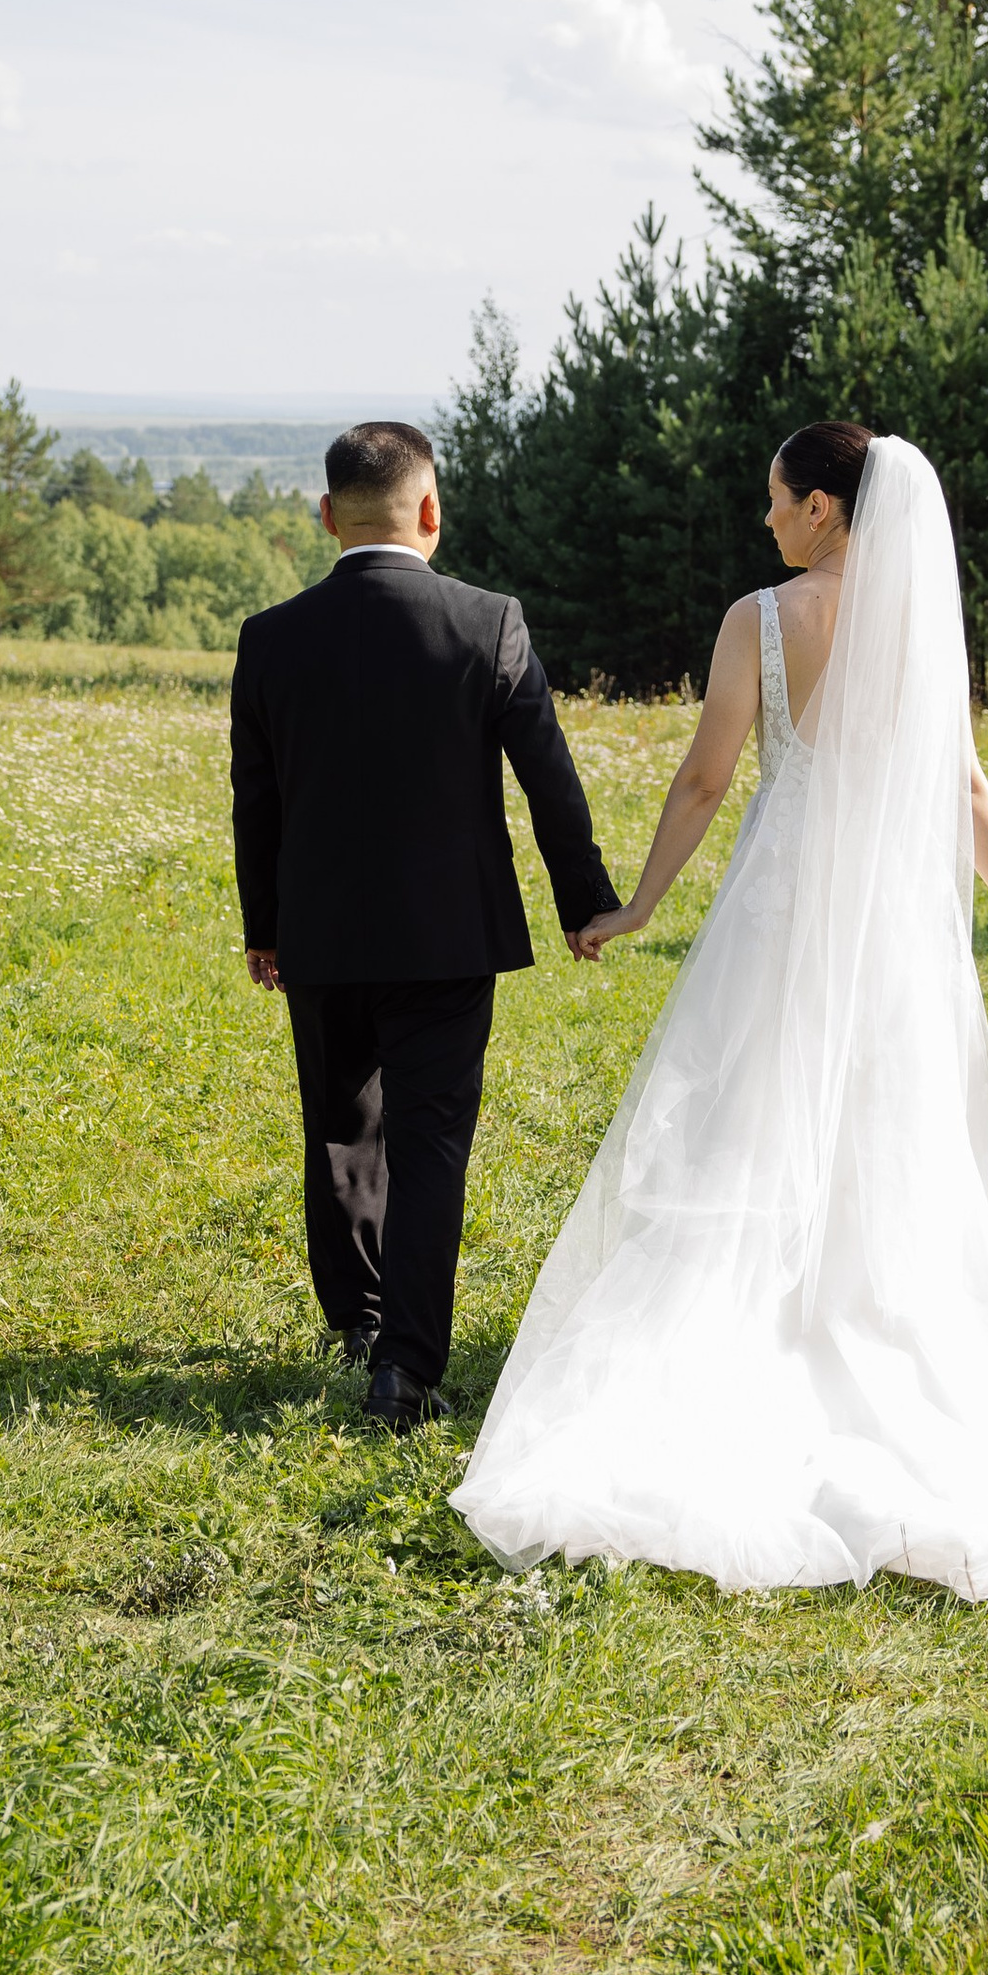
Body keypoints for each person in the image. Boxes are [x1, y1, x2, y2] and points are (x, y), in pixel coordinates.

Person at [450, 421, 988, 1602]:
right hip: (893, 922)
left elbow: (707, 778)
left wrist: (635, 909)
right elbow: (965, 784)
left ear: (822, 506)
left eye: (775, 500)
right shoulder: (918, 622)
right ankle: (858, 1334)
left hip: (782, 908)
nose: (764, 520)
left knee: (748, 1118)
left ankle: (744, 1340)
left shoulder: (761, 620)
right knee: (886, 1128)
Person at [230, 419, 619, 1436]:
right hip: (450, 932)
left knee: (340, 1126)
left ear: (327, 517)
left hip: (317, 929)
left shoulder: (270, 639)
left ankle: (356, 1321)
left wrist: (262, 926)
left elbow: (256, 799)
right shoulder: (488, 622)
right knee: (431, 1140)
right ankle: (404, 1366)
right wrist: (584, 902)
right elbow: (549, 779)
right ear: (431, 512)